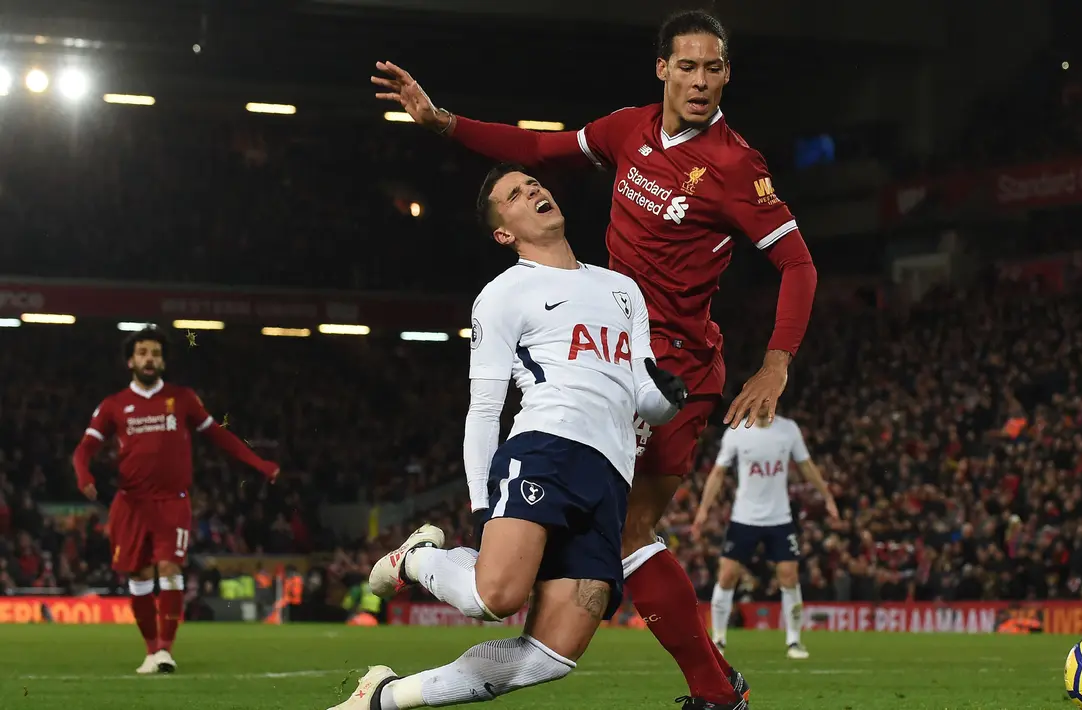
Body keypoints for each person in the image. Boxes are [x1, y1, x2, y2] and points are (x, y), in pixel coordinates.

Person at [371, 10, 816, 707]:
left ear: (727, 74)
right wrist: (443, 122)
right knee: (620, 538)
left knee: (631, 532)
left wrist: (776, 363)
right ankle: (711, 687)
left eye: (713, 68)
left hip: (673, 370)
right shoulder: (627, 130)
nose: (700, 81)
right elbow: (537, 148)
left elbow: (798, 264)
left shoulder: (736, 166)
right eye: (687, 66)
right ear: (663, 69)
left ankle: (712, 688)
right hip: (600, 352)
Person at [329, 163, 692, 710]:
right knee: (493, 597)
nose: (534, 191)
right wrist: (481, 508)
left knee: (552, 656)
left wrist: (668, 395)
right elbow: (484, 410)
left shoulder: (623, 290)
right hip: (547, 449)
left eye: (535, 184)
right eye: (515, 195)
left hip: (612, 475)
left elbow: (646, 400)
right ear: (504, 233)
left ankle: (385, 696)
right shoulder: (504, 293)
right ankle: (417, 559)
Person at [71, 327, 279, 674]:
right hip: (131, 504)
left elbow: (219, 436)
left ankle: (165, 650)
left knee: (169, 568)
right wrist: (83, 476)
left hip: (172, 502)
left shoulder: (182, 399)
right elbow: (84, 449)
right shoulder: (114, 405)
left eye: (155, 353)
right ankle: (151, 651)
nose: (149, 359)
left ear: (163, 361)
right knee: (139, 575)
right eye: (142, 353)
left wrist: (259, 463)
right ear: (130, 361)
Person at [691, 411, 838, 660]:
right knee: (727, 575)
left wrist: (827, 496)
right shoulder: (737, 432)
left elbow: (806, 465)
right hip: (744, 517)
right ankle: (718, 639)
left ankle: (794, 641)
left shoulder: (788, 429)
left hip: (779, 518)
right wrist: (703, 509)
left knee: (789, 576)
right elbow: (718, 472)